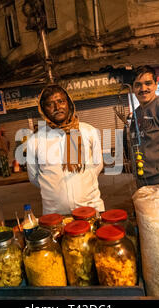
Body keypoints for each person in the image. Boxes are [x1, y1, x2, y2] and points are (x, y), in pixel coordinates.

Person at [26, 84, 104, 215]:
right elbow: (34, 178)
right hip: (55, 215)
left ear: (69, 103)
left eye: (61, 101)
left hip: (91, 209)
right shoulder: (35, 141)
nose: (57, 108)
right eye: (50, 104)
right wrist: (56, 190)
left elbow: (97, 166)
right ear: (43, 110)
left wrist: (81, 186)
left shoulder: (88, 131)